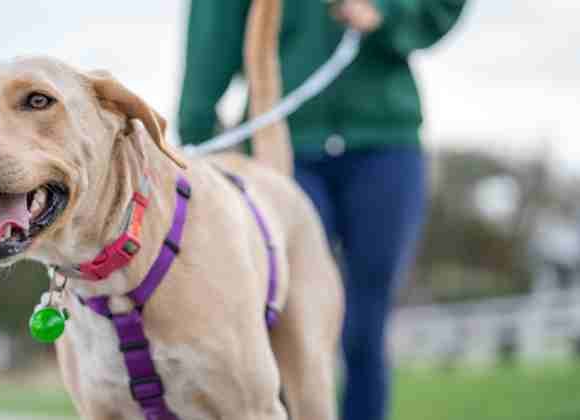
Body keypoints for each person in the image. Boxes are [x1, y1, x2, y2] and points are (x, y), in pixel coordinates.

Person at [178, 1, 467, 419]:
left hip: (384, 144)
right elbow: (212, 31)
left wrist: (388, 14)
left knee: (366, 326)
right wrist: (195, 134)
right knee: (277, 319)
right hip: (282, 142)